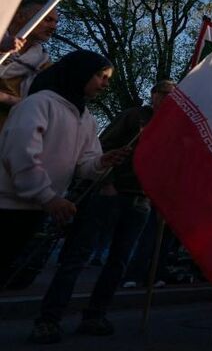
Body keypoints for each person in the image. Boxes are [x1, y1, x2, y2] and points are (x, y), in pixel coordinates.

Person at [31, 80, 175, 342]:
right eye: (165, 94)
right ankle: (49, 319)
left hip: (141, 199)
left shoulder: (173, 128)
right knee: (79, 256)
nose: (170, 100)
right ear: (154, 95)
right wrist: (106, 182)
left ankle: (95, 314)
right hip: (112, 193)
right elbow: (103, 147)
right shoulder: (134, 116)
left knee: (118, 261)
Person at [0, 51, 126, 293]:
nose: (105, 83)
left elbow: (84, 163)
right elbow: (21, 154)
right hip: (9, 207)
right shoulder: (39, 103)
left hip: (40, 210)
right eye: (100, 75)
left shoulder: (86, 118)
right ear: (80, 72)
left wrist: (101, 162)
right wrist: (48, 196)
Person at [0, 0, 58, 131]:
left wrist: (5, 98)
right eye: (47, 19)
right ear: (19, 16)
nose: (54, 26)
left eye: (56, 22)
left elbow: (42, 107)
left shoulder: (45, 67)